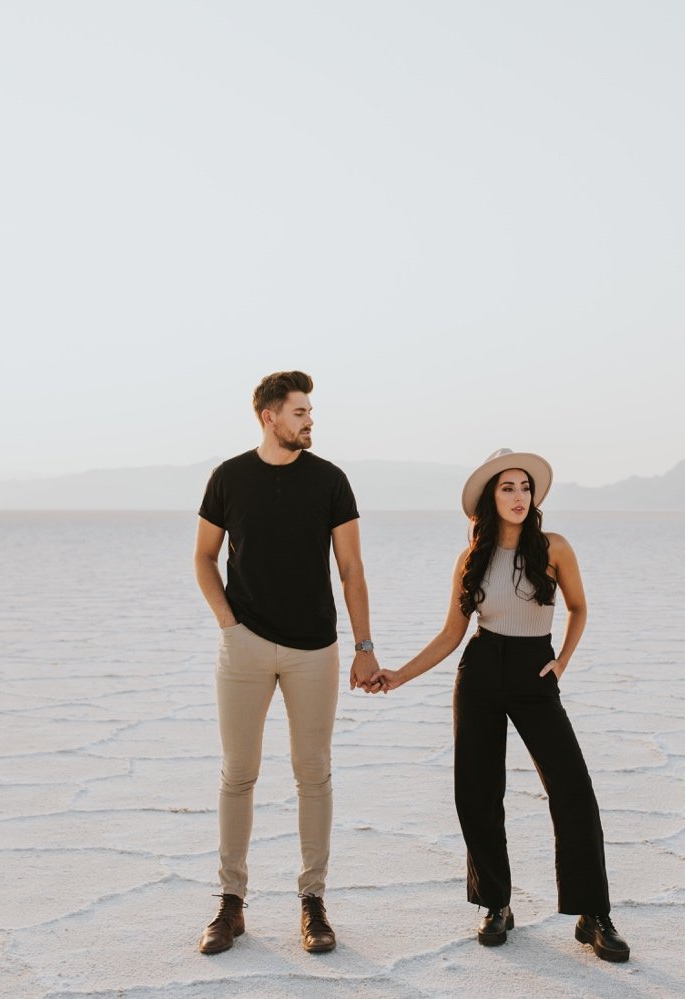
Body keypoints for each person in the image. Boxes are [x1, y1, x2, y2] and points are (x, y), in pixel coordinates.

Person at [367, 448, 630, 962]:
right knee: (477, 791)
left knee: (573, 789)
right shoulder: (472, 558)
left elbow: (578, 608)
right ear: (491, 497)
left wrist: (563, 662)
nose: (518, 496)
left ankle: (592, 912)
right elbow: (451, 633)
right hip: (482, 668)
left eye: (525, 488)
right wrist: (399, 675)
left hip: (535, 671)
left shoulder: (555, 548)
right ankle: (495, 903)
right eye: (507, 487)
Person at [193, 370, 381, 955]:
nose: (309, 420)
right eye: (299, 411)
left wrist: (364, 646)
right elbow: (203, 558)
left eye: (310, 411)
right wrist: (230, 624)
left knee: (313, 773)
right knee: (238, 773)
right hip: (244, 646)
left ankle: (312, 901)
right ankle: (231, 903)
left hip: (314, 650)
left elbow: (351, 570)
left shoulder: (330, 481)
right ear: (269, 416)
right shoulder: (229, 477)